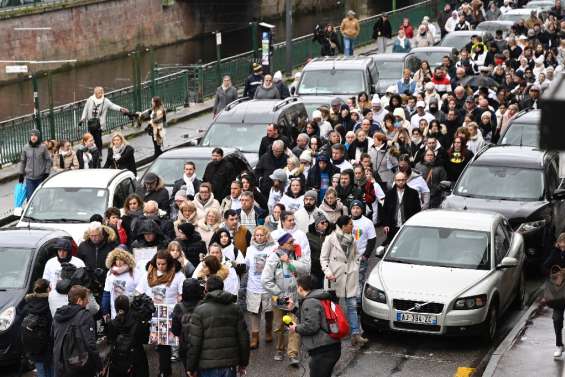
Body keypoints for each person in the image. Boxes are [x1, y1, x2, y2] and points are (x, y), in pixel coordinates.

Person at [186, 275, 250, 377]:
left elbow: (195, 342)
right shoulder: (235, 309)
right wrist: (243, 363)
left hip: (207, 365)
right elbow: (243, 338)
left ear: (206, 290)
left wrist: (191, 367)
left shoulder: (199, 311)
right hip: (229, 364)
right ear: (222, 288)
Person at [261, 233, 309, 365]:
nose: (293, 243)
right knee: (280, 325)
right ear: (282, 244)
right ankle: (279, 349)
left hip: (294, 298)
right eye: (290, 242)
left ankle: (292, 354)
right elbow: (265, 280)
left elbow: (306, 269)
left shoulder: (296, 254)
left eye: (293, 241)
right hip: (280, 298)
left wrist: (289, 261)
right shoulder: (273, 257)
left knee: (293, 326)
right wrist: (282, 295)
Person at [320, 215, 368, 347]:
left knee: (352, 305)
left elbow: (356, 255)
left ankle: (355, 334)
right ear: (344, 226)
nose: (353, 226)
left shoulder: (352, 239)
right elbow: (323, 258)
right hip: (335, 276)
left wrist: (356, 265)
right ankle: (334, 332)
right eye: (351, 224)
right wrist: (328, 272)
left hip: (350, 275)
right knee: (333, 307)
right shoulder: (330, 239)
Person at [135, 250, 184, 377]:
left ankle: (164, 372)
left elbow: (182, 294)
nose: (160, 267)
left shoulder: (178, 275)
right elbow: (139, 291)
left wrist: (179, 300)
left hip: (167, 313)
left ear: (169, 263)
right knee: (148, 344)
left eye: (163, 264)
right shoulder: (150, 273)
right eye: (158, 264)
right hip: (150, 312)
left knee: (164, 346)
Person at [288, 275, 341, 377]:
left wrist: (295, 328)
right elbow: (311, 317)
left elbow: (311, 326)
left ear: (300, 288)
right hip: (331, 347)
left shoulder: (310, 302)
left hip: (324, 351)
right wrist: (293, 309)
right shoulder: (319, 297)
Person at [52, 285, 102, 377]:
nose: (88, 302)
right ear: (79, 300)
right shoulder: (85, 316)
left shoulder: (58, 314)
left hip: (59, 364)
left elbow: (53, 337)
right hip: (77, 367)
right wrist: (99, 365)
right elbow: (90, 344)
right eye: (86, 299)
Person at [244, 226, 277, 349]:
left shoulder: (273, 248)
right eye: (256, 235)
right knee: (254, 312)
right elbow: (247, 265)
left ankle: (268, 331)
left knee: (269, 311)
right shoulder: (250, 249)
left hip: (268, 286)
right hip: (254, 285)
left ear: (266, 236)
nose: (259, 237)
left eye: (261, 235)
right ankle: (255, 336)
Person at [106, 295, 150, 377]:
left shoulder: (112, 323)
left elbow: (110, 340)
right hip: (136, 359)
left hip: (118, 360)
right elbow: (145, 340)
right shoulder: (137, 322)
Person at [20, 278, 53, 377]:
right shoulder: (50, 304)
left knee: (40, 370)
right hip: (47, 344)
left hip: (33, 345)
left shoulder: (28, 303)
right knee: (51, 369)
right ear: (48, 289)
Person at [80, 86, 128, 151]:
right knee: (90, 138)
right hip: (90, 123)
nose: (100, 94)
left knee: (98, 138)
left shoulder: (105, 101)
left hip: (99, 124)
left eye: (101, 92)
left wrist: (121, 109)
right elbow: (85, 109)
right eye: (98, 93)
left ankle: (99, 152)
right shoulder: (90, 99)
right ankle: (93, 151)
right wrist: (83, 118)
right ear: (95, 93)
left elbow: (112, 106)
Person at [171, 278, 204, 372]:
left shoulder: (178, 307)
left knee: (189, 371)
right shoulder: (203, 304)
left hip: (186, 346)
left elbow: (175, 330)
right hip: (202, 345)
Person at [382, 172, 422, 244]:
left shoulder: (413, 193)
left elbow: (417, 210)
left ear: (406, 180)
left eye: (403, 180)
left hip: (408, 226)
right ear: (395, 180)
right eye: (398, 180)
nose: (401, 182)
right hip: (393, 226)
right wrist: (386, 224)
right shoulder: (389, 194)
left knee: (408, 245)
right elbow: (385, 211)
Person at [77, 221, 119, 289]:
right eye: (91, 235)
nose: (93, 238)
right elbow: (79, 263)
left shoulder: (111, 245)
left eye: (96, 235)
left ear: (101, 233)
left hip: (107, 282)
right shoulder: (83, 246)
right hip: (88, 283)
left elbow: (117, 263)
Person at [101, 248, 140, 319]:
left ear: (126, 260)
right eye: (116, 259)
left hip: (131, 311)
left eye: (121, 260)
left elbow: (139, 292)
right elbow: (107, 292)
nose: (118, 262)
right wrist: (105, 310)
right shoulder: (110, 273)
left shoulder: (135, 272)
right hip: (115, 312)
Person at [543, 233, 565, 359]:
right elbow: (544, 267)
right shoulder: (555, 253)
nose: (563, 245)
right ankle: (559, 344)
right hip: (559, 292)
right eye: (561, 242)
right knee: (557, 319)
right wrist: (556, 273)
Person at [19, 129, 51, 201]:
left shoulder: (43, 147)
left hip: (41, 178)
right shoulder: (25, 147)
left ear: (38, 137)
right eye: (32, 135)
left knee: (41, 198)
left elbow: (48, 160)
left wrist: (47, 172)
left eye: (35, 136)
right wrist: (21, 174)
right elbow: (23, 161)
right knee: (30, 198)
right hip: (29, 178)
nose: (33, 137)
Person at [306, 212, 333, 289]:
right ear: (316, 224)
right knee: (316, 291)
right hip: (315, 269)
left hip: (329, 268)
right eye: (322, 222)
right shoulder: (308, 235)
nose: (325, 224)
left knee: (329, 292)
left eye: (326, 221)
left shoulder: (331, 234)